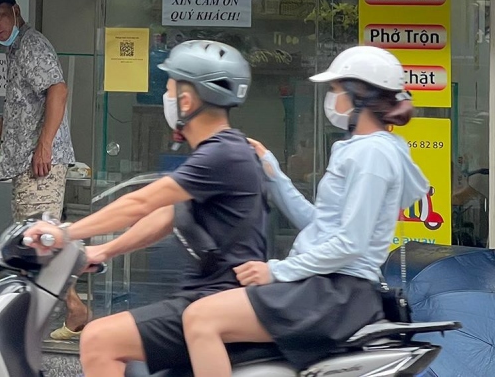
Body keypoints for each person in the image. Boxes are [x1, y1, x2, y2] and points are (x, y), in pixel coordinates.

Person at [181, 46, 428, 377]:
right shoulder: (365, 149)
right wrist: (274, 173)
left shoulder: (371, 155)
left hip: (336, 292)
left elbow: (349, 244)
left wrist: (278, 270)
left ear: (360, 95)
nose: (331, 98)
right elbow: (320, 226)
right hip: (328, 285)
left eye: (336, 89)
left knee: (200, 319)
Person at [26, 40, 266, 376]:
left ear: (186, 100)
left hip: (218, 300)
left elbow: (142, 202)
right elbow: (167, 216)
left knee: (98, 338)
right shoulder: (222, 151)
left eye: (168, 89)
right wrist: (103, 251)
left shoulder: (222, 154)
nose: (165, 99)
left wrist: (64, 232)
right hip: (206, 295)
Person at [0, 0, 86, 339]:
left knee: (37, 240)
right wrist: (5, 120)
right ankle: (70, 308)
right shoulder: (16, 49)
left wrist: (44, 146)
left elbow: (58, 90)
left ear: (16, 11)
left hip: (40, 166)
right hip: (28, 163)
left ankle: (55, 312)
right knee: (33, 240)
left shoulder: (32, 44)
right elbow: (31, 96)